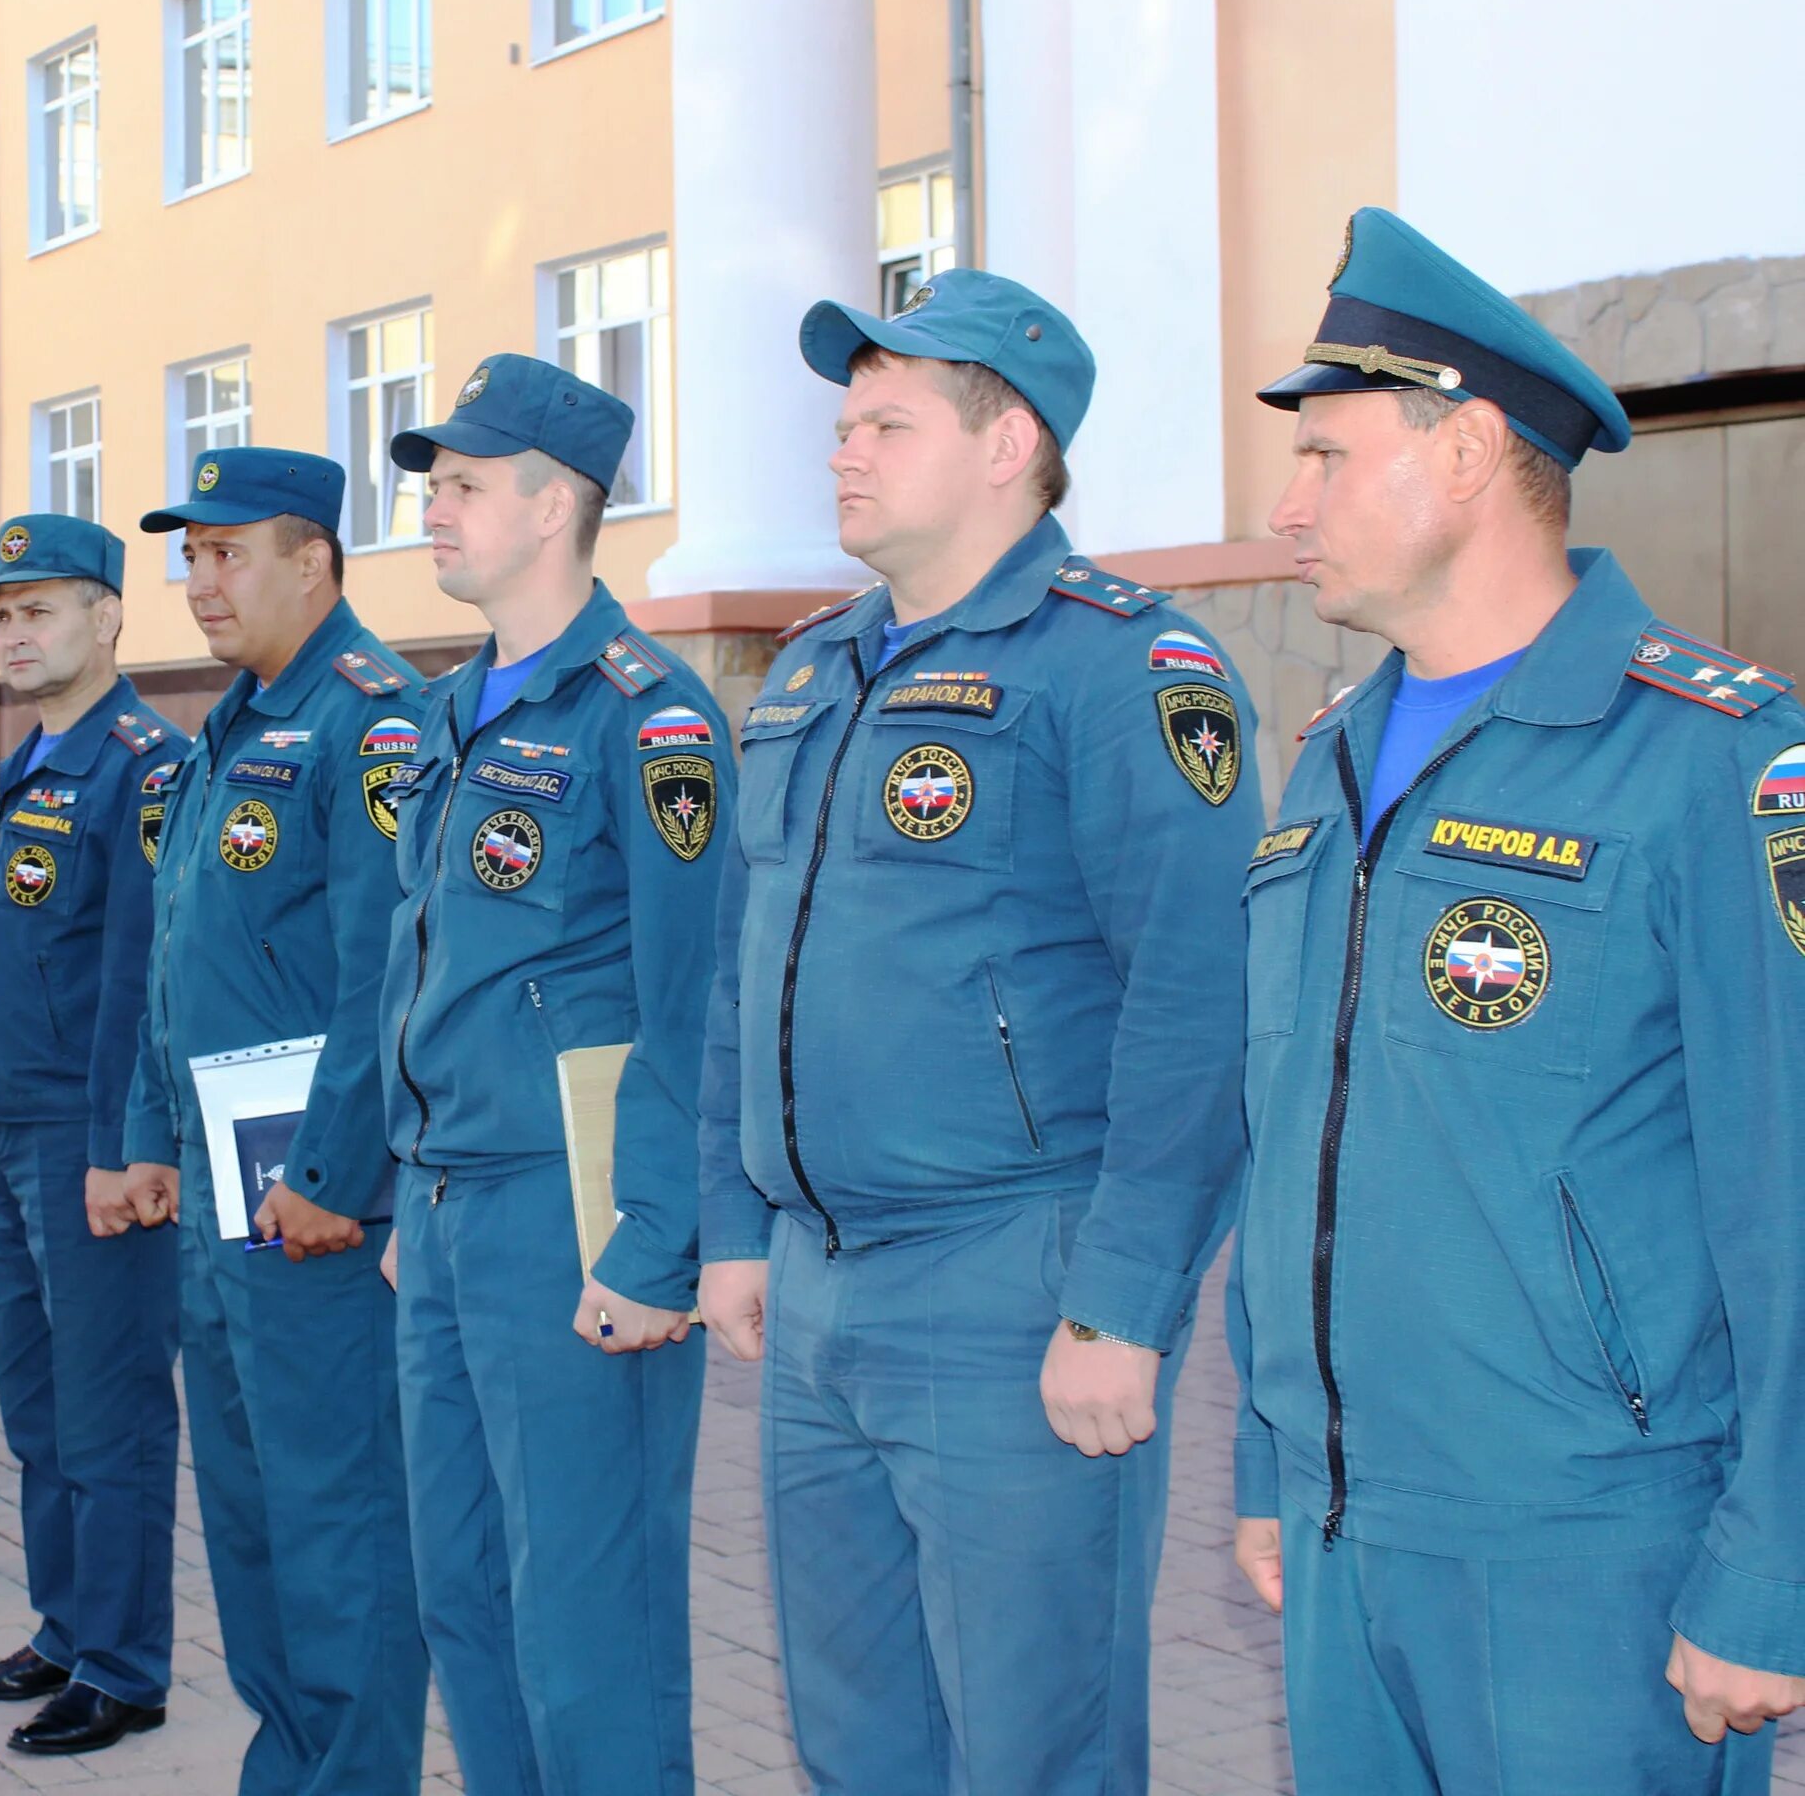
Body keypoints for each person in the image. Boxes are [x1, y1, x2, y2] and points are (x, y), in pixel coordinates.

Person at [1229, 206, 1805, 1792]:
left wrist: (1776, 1572)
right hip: (1350, 1535)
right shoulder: (1325, 760)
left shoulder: (1714, 758)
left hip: (1585, 1552)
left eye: (1328, 458)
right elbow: (1292, 1133)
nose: (1288, 506)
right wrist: (1271, 1454)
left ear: (1470, 450)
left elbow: (1792, 1190)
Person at [699, 270, 1257, 1796]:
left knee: (1033, 1746)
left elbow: (1200, 998)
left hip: (1013, 1287)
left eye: (885, 420)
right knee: (857, 1738)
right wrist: (731, 1218)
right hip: (817, 1294)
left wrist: (1124, 1304)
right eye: (842, 422)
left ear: (1008, 443)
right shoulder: (816, 666)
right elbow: (746, 974)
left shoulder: (1121, 663)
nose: (843, 451)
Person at [381, 354, 731, 1793]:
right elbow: (423, 965)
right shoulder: (455, 708)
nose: (435, 513)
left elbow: (692, 999)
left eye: (462, 486)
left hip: (572, 1211)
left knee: (590, 1617)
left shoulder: (647, 716)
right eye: (435, 486)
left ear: (555, 504)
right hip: (448, 1202)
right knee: (463, 1587)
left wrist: (654, 1241)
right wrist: (409, 1191)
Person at [123, 446, 432, 1793]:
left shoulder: (374, 720)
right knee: (247, 1511)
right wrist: (147, 1131)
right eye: (190, 555)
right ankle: (289, 1764)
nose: (200, 581)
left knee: (336, 1513)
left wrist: (331, 1170)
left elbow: (385, 976)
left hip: (305, 1190)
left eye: (227, 551)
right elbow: (174, 951)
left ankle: (352, 1772)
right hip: (215, 1174)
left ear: (315, 561)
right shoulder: (232, 726)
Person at [0, 513, 184, 1752]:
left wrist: (113, 1145)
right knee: (37, 1408)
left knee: (109, 1409)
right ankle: (65, 1623)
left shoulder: (142, 765)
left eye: (40, 608)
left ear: (108, 617)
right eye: (1, 613)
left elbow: (142, 981)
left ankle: (125, 1661)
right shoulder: (34, 762)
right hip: (4, 1127)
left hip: (84, 1146)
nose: (16, 632)